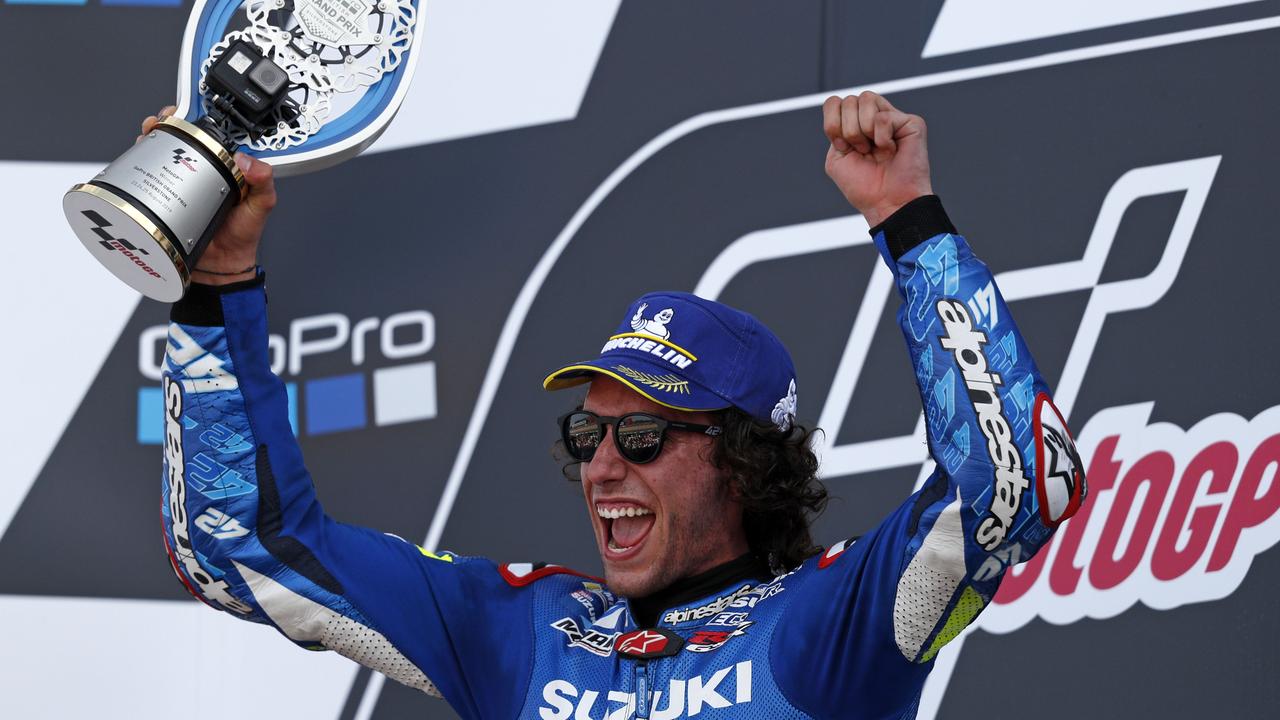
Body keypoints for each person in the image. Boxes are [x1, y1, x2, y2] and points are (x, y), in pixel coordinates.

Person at [155, 92, 1086, 719]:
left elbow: (1016, 485)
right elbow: (238, 550)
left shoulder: (829, 622)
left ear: (746, 460)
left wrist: (909, 221)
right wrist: (217, 286)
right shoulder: (521, 627)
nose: (603, 467)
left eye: (641, 434)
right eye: (589, 434)